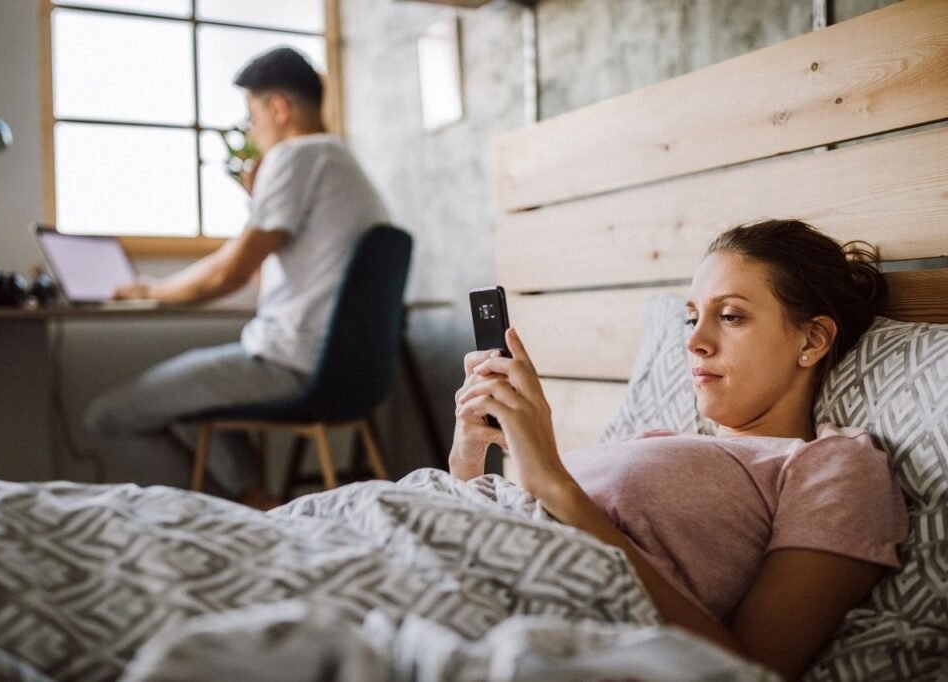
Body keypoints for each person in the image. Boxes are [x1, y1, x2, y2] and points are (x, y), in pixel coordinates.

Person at [449, 219, 908, 681]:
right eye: (692, 317)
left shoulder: (832, 463)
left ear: (811, 340)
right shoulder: (658, 439)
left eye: (730, 316)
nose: (693, 340)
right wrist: (467, 458)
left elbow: (753, 669)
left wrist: (553, 483)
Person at [85, 47, 389, 501]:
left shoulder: (297, 156)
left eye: (253, 115)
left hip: (291, 364)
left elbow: (227, 275)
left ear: (278, 108)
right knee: (194, 403)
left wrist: (150, 290)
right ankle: (254, 501)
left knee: (108, 416)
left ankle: (221, 521)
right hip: (350, 372)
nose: (253, 129)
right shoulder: (342, 163)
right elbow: (258, 273)